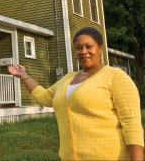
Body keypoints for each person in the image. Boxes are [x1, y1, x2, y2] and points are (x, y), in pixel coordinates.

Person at [8, 27, 144, 161]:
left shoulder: (115, 77)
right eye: (79, 48)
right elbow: (44, 97)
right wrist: (24, 76)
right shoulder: (67, 78)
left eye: (88, 46)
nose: (83, 51)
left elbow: (131, 124)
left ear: (100, 48)